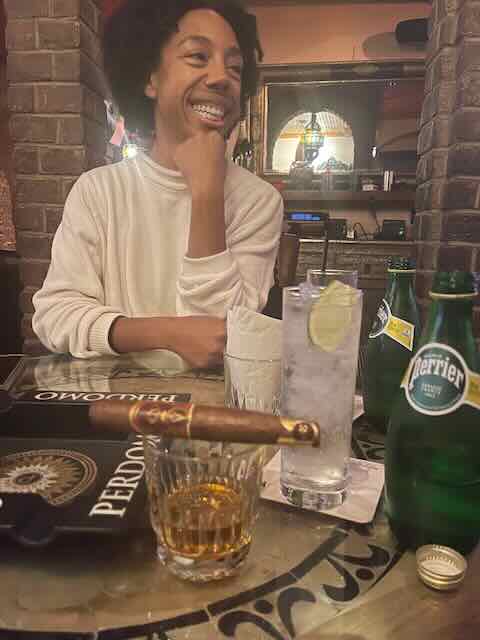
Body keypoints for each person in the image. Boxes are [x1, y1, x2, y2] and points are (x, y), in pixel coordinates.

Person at [32, 0, 283, 368]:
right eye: (198, 56)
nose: (221, 78)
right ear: (150, 78)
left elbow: (222, 341)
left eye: (235, 67)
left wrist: (207, 194)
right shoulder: (98, 191)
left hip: (216, 402)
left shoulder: (259, 201)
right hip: (116, 400)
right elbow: (55, 316)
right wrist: (168, 334)